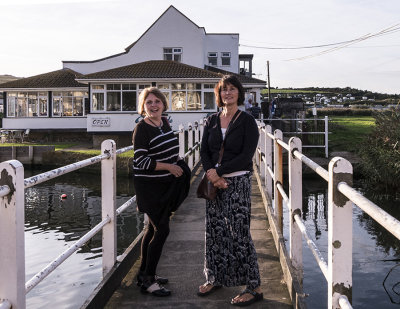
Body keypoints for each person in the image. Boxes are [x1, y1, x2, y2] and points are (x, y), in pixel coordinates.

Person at [198, 75, 263, 306]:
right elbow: (204, 151)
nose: (228, 93)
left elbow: (246, 156)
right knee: (214, 231)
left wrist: (220, 172)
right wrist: (212, 175)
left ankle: (253, 286)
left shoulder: (247, 121)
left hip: (238, 182)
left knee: (239, 233)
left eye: (232, 89)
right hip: (214, 184)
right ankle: (214, 277)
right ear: (219, 94)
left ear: (239, 93)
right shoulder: (211, 120)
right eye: (224, 90)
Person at [132, 87, 190, 297]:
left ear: (164, 104)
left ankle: (143, 274)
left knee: (151, 230)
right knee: (162, 230)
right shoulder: (141, 128)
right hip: (150, 187)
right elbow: (141, 161)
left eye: (157, 101)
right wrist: (169, 167)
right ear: (143, 106)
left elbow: (170, 150)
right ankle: (149, 281)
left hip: (165, 186)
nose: (153, 105)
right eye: (149, 102)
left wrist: (178, 164)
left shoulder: (164, 123)